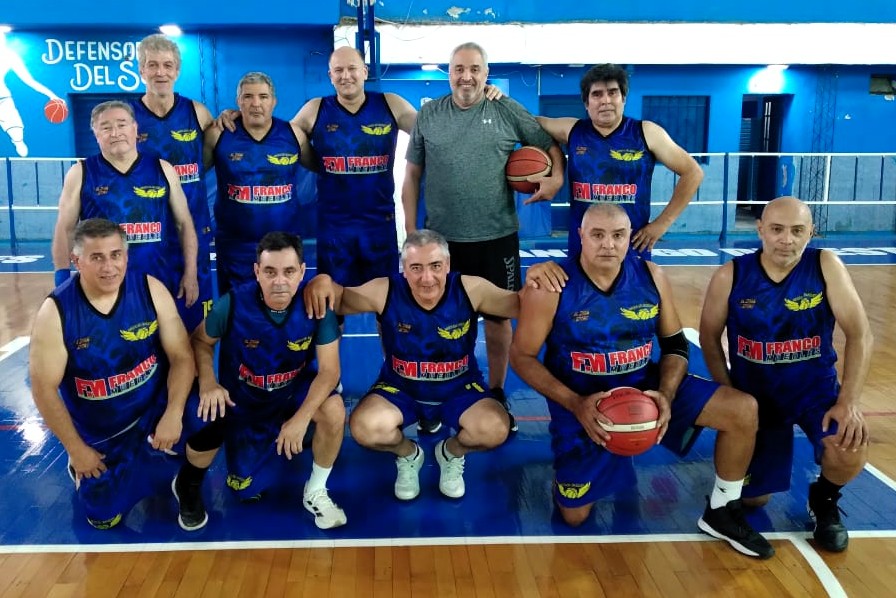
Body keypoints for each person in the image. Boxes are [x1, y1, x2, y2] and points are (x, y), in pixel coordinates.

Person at [509, 203, 774, 559]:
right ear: (580, 236)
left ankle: (722, 509)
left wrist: (666, 393)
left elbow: (675, 344)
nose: (608, 244)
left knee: (742, 409)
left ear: (629, 238)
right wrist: (575, 403)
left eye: (618, 235)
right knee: (574, 515)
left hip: (646, 387)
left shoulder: (651, 275)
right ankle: (594, 461)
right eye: (597, 235)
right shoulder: (552, 287)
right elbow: (521, 357)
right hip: (582, 399)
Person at [402, 41, 565, 427]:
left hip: (496, 238)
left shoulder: (506, 109)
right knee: (438, 320)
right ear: (448, 73)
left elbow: (547, 144)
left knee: (497, 320)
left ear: (486, 74)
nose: (467, 77)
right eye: (459, 69)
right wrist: (410, 232)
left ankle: (495, 392)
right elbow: (411, 175)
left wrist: (556, 176)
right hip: (442, 242)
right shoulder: (430, 115)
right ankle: (439, 393)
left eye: (474, 69)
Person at [699, 196, 872, 552]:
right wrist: (727, 393)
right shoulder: (731, 275)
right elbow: (709, 337)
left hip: (814, 392)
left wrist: (848, 402)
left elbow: (860, 334)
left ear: (811, 232)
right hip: (757, 398)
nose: (786, 239)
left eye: (797, 231)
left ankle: (824, 498)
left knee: (849, 445)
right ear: (760, 229)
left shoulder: (825, 265)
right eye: (777, 229)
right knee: (754, 500)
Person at [30, 218, 217, 531]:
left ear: (126, 256)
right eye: (97, 257)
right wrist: (76, 449)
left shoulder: (150, 289)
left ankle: (187, 483)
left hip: (152, 409)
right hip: (104, 432)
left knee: (212, 415)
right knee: (104, 518)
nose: (109, 267)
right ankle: (89, 467)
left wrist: (173, 413)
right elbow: (43, 389)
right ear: (76, 260)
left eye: (115, 255)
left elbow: (182, 356)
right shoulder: (56, 313)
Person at [304, 229, 517, 500]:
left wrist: (540, 279)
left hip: (459, 388)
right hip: (400, 388)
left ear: (448, 265)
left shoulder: (471, 289)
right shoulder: (385, 290)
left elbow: (520, 305)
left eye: (435, 266)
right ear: (404, 268)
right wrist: (323, 281)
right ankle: (408, 454)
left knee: (496, 428)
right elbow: (340, 298)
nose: (426, 278)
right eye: (416, 268)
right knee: (365, 427)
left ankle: (450, 452)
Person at [190, 231, 347, 529]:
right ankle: (286, 436)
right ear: (256, 271)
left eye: (289, 271)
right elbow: (200, 341)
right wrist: (208, 381)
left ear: (302, 271)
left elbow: (330, 371)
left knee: (334, 409)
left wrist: (302, 418)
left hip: (292, 393)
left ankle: (315, 489)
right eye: (270, 272)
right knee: (244, 490)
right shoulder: (232, 303)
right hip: (246, 402)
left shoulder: (315, 306)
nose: (280, 281)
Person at [536, 63, 704, 260]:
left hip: (632, 248)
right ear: (586, 103)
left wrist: (662, 224)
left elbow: (693, 172)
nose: (605, 100)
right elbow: (527, 122)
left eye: (612, 92)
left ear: (623, 98)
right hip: (583, 249)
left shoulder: (646, 132)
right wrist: (557, 174)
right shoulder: (572, 130)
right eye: (597, 94)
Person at [51, 101, 199, 314]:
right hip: (103, 284)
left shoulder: (163, 169)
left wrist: (191, 273)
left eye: (121, 124)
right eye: (106, 127)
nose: (115, 133)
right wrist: (62, 280)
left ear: (135, 128)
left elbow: (184, 224)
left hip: (160, 280)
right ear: (95, 133)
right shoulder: (80, 173)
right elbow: (65, 229)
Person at [132, 33, 215, 331]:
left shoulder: (197, 113)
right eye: (152, 65)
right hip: (145, 239)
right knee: (147, 324)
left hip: (193, 233)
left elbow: (210, 159)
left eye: (167, 65)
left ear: (177, 71)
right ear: (141, 70)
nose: (160, 72)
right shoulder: (128, 118)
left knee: (196, 323)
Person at [204, 72, 310, 294]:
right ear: (238, 101)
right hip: (234, 248)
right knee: (236, 310)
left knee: (283, 308)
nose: (255, 103)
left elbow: (324, 167)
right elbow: (191, 176)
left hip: (284, 247)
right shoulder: (218, 134)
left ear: (274, 101)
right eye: (248, 97)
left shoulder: (294, 135)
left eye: (263, 96)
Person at [0, 30, 65, 157]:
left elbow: (29, 80)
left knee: (17, 134)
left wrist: (51, 95)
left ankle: (18, 142)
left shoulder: (9, 56)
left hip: (3, 100)